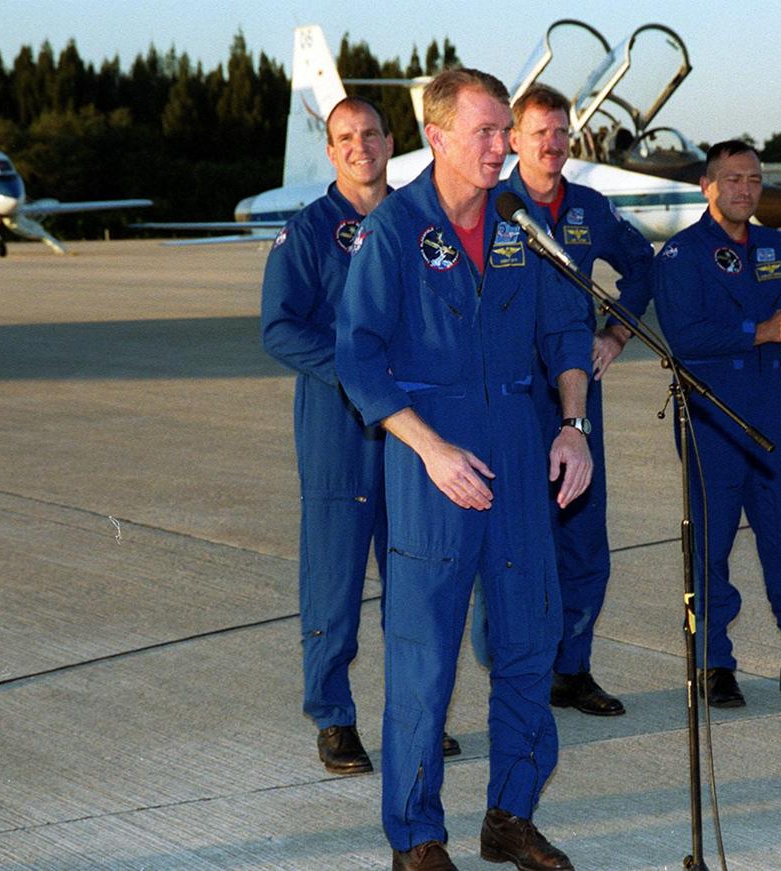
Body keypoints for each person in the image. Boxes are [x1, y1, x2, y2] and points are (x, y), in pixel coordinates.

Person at [336, 69, 591, 871]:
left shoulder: (519, 225)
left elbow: (567, 329)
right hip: (434, 462)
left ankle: (510, 815)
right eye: (485, 131)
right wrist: (430, 446)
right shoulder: (395, 230)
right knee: (425, 657)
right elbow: (358, 356)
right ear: (437, 137)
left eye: (505, 130)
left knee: (526, 643)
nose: (502, 146)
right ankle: (416, 835)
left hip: (520, 449)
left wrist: (575, 425)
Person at [262, 97, 470, 778]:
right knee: (335, 579)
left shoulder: (421, 223)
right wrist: (355, 375)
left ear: (390, 141)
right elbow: (281, 328)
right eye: (345, 137)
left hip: (413, 431)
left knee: (416, 576)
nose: (360, 146)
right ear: (331, 150)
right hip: (341, 431)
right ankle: (333, 716)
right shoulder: (309, 231)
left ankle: (417, 713)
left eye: (371, 134)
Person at [653, 140, 781, 707]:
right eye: (733, 179)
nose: (745, 189)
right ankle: (714, 665)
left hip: (769, 407)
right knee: (711, 545)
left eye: (754, 180)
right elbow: (686, 337)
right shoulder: (681, 255)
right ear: (707, 186)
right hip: (711, 413)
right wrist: (762, 329)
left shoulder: (775, 247)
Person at [502, 83, 655, 717]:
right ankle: (517, 669)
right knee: (512, 540)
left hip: (573, 391)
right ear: (514, 139)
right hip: (510, 396)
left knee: (583, 532)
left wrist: (616, 333)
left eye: (561, 132)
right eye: (540, 132)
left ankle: (572, 668)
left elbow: (643, 266)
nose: (553, 143)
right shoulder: (492, 205)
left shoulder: (590, 207)